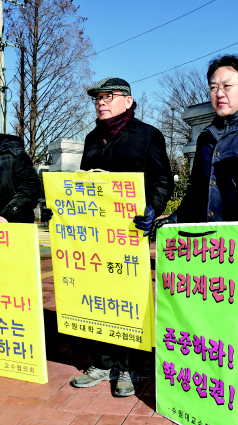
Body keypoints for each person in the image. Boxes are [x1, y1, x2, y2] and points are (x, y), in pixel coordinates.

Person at [70, 77, 173, 396]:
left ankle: (128, 367)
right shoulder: (91, 139)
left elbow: (162, 180)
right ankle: (102, 363)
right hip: (94, 237)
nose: (101, 101)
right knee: (97, 298)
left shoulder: (147, 135)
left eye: (109, 96)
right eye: (97, 98)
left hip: (129, 233)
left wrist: (152, 210)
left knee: (128, 300)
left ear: (128, 101)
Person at [150, 54, 238, 230]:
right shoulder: (206, 137)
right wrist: (174, 219)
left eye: (227, 86)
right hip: (211, 244)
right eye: (213, 87)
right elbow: (196, 192)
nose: (219, 93)